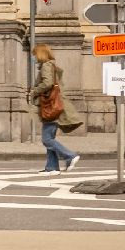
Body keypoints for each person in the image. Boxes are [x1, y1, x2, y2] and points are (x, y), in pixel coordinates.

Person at [29, 41, 81, 173]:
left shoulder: (46, 66)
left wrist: (34, 91)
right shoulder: (51, 65)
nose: (33, 57)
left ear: (40, 54)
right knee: (49, 138)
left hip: (50, 106)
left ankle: (70, 156)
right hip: (53, 106)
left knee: (46, 139)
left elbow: (47, 83)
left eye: (34, 54)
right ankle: (52, 167)